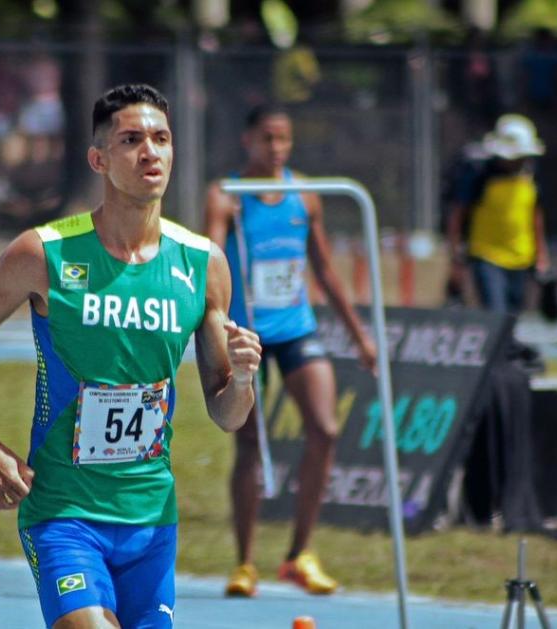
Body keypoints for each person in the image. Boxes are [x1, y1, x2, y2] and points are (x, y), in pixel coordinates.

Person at [0, 84, 262, 628]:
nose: (150, 152)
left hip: (151, 520)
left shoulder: (204, 265)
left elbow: (226, 414)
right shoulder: (44, 253)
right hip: (65, 514)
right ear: (99, 159)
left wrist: (243, 381)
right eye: (131, 140)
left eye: (161, 139)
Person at [204, 103, 377, 598]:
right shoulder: (226, 195)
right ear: (248, 140)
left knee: (324, 428)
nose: (276, 148)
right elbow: (210, 262)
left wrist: (360, 335)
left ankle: (299, 553)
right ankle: (244, 562)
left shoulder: (304, 195)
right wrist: (214, 327)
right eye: (267, 139)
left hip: (296, 326)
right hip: (248, 332)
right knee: (250, 443)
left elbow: (323, 269)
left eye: (284, 140)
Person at [446, 113, 550, 315]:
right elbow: (457, 214)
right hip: (487, 256)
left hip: (521, 257)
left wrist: (542, 255)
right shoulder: (479, 175)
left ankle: (508, 347)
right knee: (496, 312)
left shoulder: (531, 176)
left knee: (513, 315)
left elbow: (535, 215)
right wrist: (455, 257)